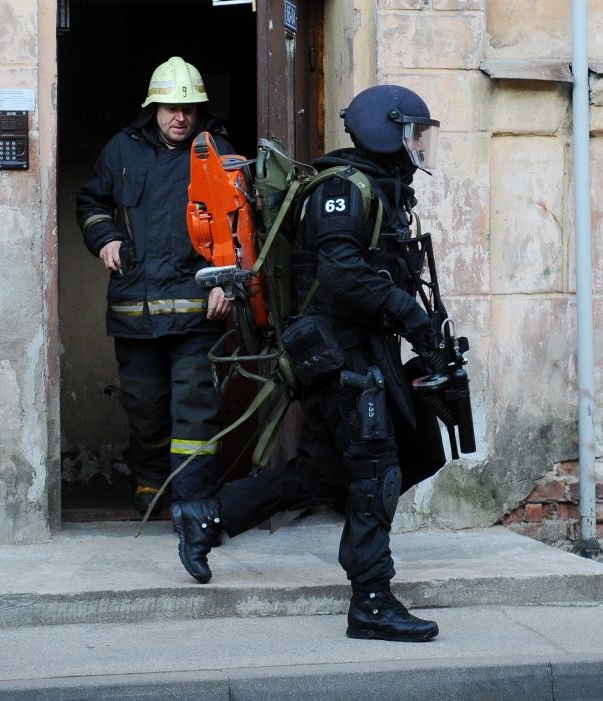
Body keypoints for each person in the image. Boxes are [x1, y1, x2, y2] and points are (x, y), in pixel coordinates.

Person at [170, 85, 450, 642]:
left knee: (328, 471)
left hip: (359, 347)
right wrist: (410, 317)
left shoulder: (382, 188)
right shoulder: (342, 190)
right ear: (382, 129)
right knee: (374, 470)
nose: (419, 145)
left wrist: (424, 331)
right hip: (334, 350)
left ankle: (208, 514)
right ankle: (371, 600)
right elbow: (343, 274)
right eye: (412, 133)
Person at [76, 56, 233, 514]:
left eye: (188, 108)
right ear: (153, 108)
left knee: (195, 411)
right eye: (170, 108)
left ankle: (193, 500)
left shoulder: (218, 151)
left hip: (198, 308)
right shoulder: (121, 150)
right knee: (144, 405)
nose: (179, 117)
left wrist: (228, 282)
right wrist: (105, 237)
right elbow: (91, 202)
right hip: (134, 309)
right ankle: (151, 486)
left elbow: (241, 225)